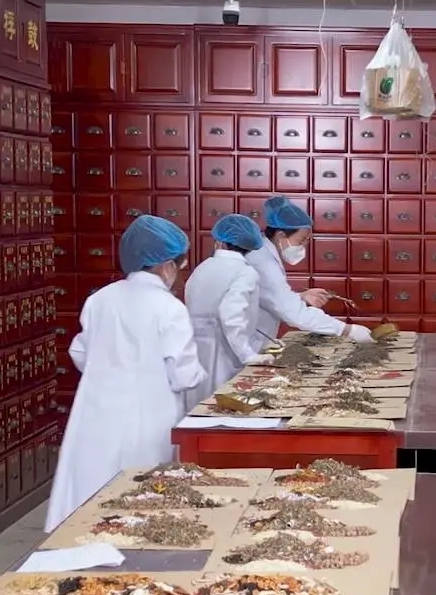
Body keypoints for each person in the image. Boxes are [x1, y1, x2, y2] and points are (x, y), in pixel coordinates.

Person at [45, 216, 205, 532]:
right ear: (167, 266)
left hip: (96, 416)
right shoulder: (169, 307)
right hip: (148, 420)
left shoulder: (99, 300)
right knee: (141, 505)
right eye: (179, 267)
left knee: (90, 503)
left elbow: (79, 352)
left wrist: (109, 371)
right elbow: (184, 375)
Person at [250, 195, 370, 347]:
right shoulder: (263, 262)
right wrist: (347, 330)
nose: (304, 246)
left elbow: (269, 296)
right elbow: (293, 313)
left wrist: (301, 297)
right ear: (280, 235)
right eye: (300, 241)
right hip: (240, 344)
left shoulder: (263, 253)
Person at [182, 214, 265, 409]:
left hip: (194, 349)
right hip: (223, 352)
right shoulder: (245, 272)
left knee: (196, 409)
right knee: (220, 409)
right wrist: (248, 354)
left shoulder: (202, 267)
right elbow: (231, 314)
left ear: (219, 242)